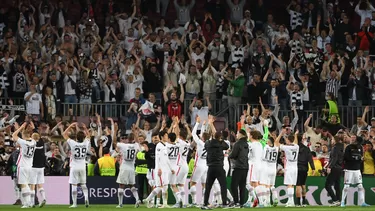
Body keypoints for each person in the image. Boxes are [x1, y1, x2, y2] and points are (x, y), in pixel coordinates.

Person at [62, 123, 90, 208]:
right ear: (83, 137)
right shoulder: (85, 143)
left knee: (74, 185)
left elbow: (64, 134)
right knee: (83, 184)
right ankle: (86, 198)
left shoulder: (73, 143)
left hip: (74, 166)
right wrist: (85, 128)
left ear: (76, 137)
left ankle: (74, 204)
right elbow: (89, 136)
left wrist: (70, 126)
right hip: (82, 166)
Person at [144, 131, 174, 208]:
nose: (167, 137)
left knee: (165, 186)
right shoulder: (159, 146)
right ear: (162, 137)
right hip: (160, 169)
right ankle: (147, 199)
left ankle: (164, 203)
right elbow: (157, 158)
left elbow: (166, 159)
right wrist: (159, 168)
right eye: (166, 135)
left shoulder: (165, 145)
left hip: (166, 169)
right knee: (159, 187)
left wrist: (171, 168)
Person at [11, 122, 36, 208]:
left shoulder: (23, 142)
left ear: (24, 136)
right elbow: (29, 135)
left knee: (23, 184)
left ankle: (27, 203)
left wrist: (21, 127)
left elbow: (14, 135)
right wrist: (25, 129)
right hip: (30, 166)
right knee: (27, 184)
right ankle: (29, 202)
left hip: (22, 166)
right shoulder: (33, 142)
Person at [341, 137, 370, 207]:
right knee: (347, 186)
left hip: (357, 169)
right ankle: (342, 202)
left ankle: (362, 202)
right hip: (349, 169)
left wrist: (359, 160)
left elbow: (361, 158)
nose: (358, 144)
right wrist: (356, 158)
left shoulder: (360, 147)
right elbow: (346, 157)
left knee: (360, 185)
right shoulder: (348, 147)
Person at [114, 133, 141, 208]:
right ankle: (137, 199)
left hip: (125, 167)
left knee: (121, 185)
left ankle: (120, 204)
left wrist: (115, 131)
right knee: (131, 185)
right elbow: (138, 143)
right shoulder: (136, 146)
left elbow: (114, 142)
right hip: (132, 167)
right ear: (133, 139)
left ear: (127, 139)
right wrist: (136, 134)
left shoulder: (124, 145)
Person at [274, 129, 299, 207]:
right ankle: (291, 201)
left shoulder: (286, 147)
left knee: (289, 185)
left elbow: (276, 143)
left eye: (287, 139)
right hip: (295, 168)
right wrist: (295, 135)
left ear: (288, 140)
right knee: (291, 185)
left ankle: (291, 202)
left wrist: (281, 134)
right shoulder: (296, 146)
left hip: (289, 168)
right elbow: (296, 142)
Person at [190, 116, 209, 207]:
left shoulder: (200, 143)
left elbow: (193, 134)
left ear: (202, 138)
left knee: (192, 183)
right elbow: (203, 134)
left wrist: (197, 123)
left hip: (198, 165)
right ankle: (203, 201)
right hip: (206, 165)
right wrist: (203, 126)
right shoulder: (209, 143)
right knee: (204, 184)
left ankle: (194, 201)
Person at [229, 129, 249, 208]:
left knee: (233, 185)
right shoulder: (246, 144)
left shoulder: (237, 144)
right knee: (242, 186)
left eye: (237, 133)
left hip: (238, 167)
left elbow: (233, 155)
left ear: (241, 134)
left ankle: (236, 202)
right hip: (245, 167)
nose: (236, 134)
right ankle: (241, 203)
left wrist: (229, 155)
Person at [296, 136, 315, 207]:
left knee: (298, 185)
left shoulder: (295, 147)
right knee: (303, 185)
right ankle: (304, 202)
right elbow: (310, 159)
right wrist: (313, 168)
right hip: (304, 168)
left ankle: (298, 203)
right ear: (301, 140)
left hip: (297, 167)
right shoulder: (306, 148)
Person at [325, 136, 344, 206]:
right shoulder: (342, 148)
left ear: (335, 141)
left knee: (327, 185)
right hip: (339, 168)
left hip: (334, 168)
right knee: (337, 185)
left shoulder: (335, 148)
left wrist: (329, 167)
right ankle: (339, 200)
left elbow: (334, 159)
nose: (331, 141)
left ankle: (335, 200)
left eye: (332, 139)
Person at [175, 128, 191, 208]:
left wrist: (176, 125)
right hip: (186, 166)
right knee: (181, 185)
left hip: (180, 166)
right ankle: (185, 203)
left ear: (180, 136)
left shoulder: (180, 142)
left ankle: (179, 201)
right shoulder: (188, 143)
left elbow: (175, 135)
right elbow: (189, 135)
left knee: (173, 184)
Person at [29, 135, 47, 208]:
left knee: (32, 185)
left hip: (33, 167)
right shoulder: (42, 144)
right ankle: (44, 198)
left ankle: (32, 203)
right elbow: (39, 137)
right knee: (40, 185)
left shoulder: (31, 145)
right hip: (41, 167)